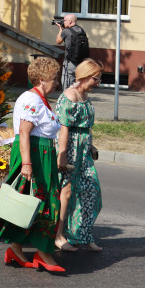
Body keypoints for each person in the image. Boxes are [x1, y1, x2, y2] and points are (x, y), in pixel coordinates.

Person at [0, 56, 65, 273]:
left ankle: (17, 249)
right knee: (40, 203)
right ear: (41, 79)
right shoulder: (32, 100)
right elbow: (24, 134)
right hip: (34, 155)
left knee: (32, 203)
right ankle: (43, 253)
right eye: (53, 77)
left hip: (43, 154)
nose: (56, 81)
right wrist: (27, 164)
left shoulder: (41, 99)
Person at [55, 58, 104, 253]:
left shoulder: (85, 97)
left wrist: (91, 146)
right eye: (95, 79)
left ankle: (83, 234)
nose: (98, 83)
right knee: (66, 193)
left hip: (84, 152)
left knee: (91, 190)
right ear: (83, 76)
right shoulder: (69, 96)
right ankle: (58, 236)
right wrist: (62, 154)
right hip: (71, 150)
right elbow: (64, 129)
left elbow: (87, 128)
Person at [55, 14, 89, 90]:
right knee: (77, 85)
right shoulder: (81, 30)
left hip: (70, 63)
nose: (63, 22)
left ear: (70, 22)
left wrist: (61, 29)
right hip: (80, 62)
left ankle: (67, 100)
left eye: (64, 20)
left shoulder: (66, 31)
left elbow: (58, 41)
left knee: (67, 85)